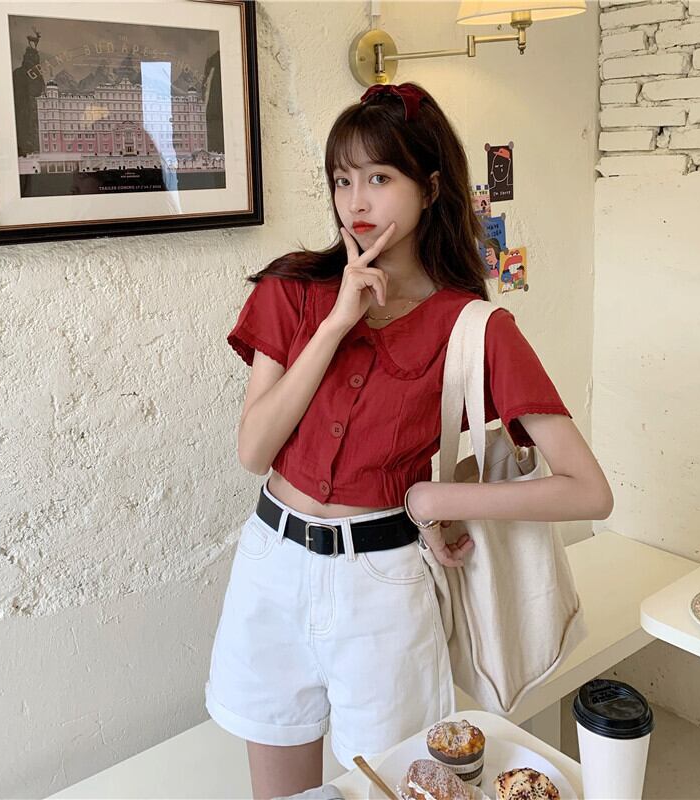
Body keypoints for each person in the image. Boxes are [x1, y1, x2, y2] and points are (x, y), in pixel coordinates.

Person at [204, 82, 613, 799]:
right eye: (342, 180)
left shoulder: (473, 327)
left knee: (389, 787)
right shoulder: (292, 291)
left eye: (379, 178)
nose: (355, 201)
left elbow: (589, 490)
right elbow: (254, 451)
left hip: (384, 587)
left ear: (429, 187)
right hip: (271, 566)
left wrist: (437, 498)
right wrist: (336, 322)